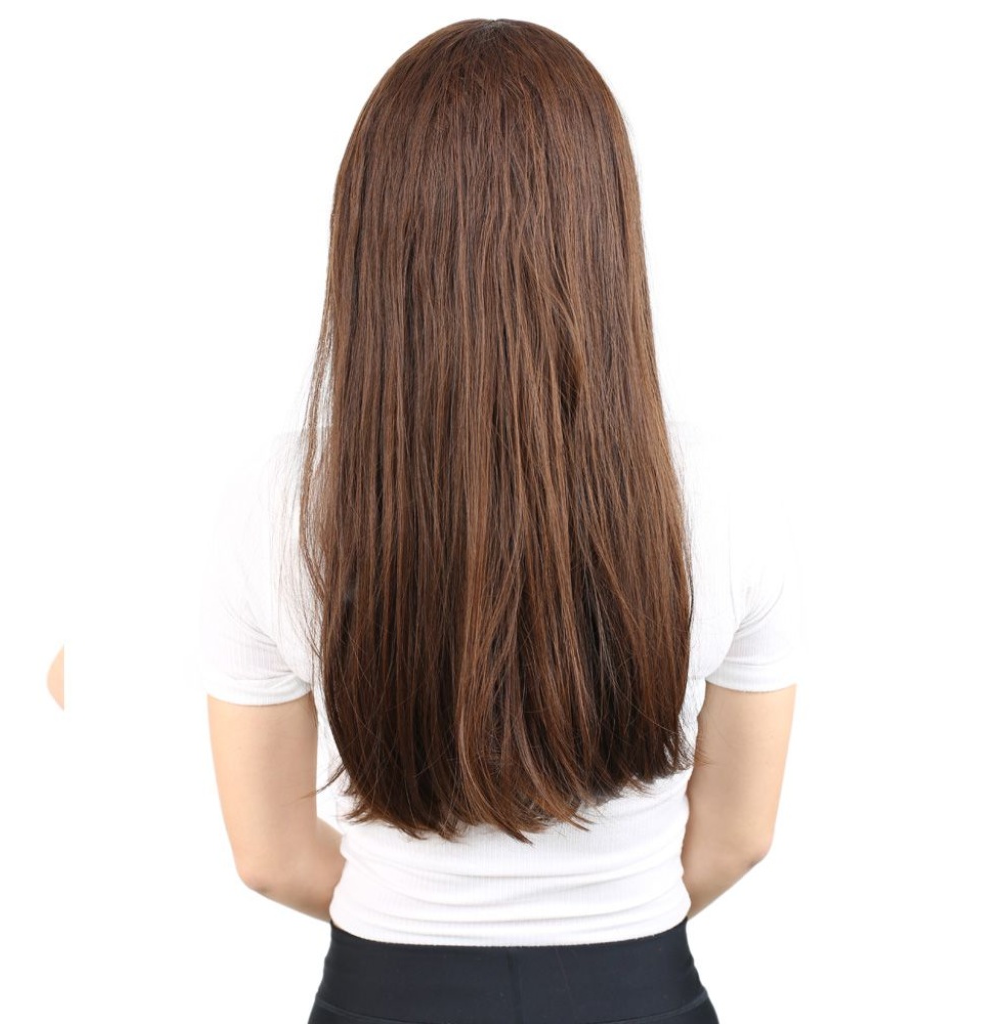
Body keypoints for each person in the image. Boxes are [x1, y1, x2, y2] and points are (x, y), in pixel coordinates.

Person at [199, 18, 801, 1024]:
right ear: (602, 227)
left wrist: (429, 927)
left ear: (373, 235)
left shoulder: (279, 497)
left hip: (388, 991)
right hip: (635, 988)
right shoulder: (718, 487)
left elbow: (270, 856)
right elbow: (738, 837)